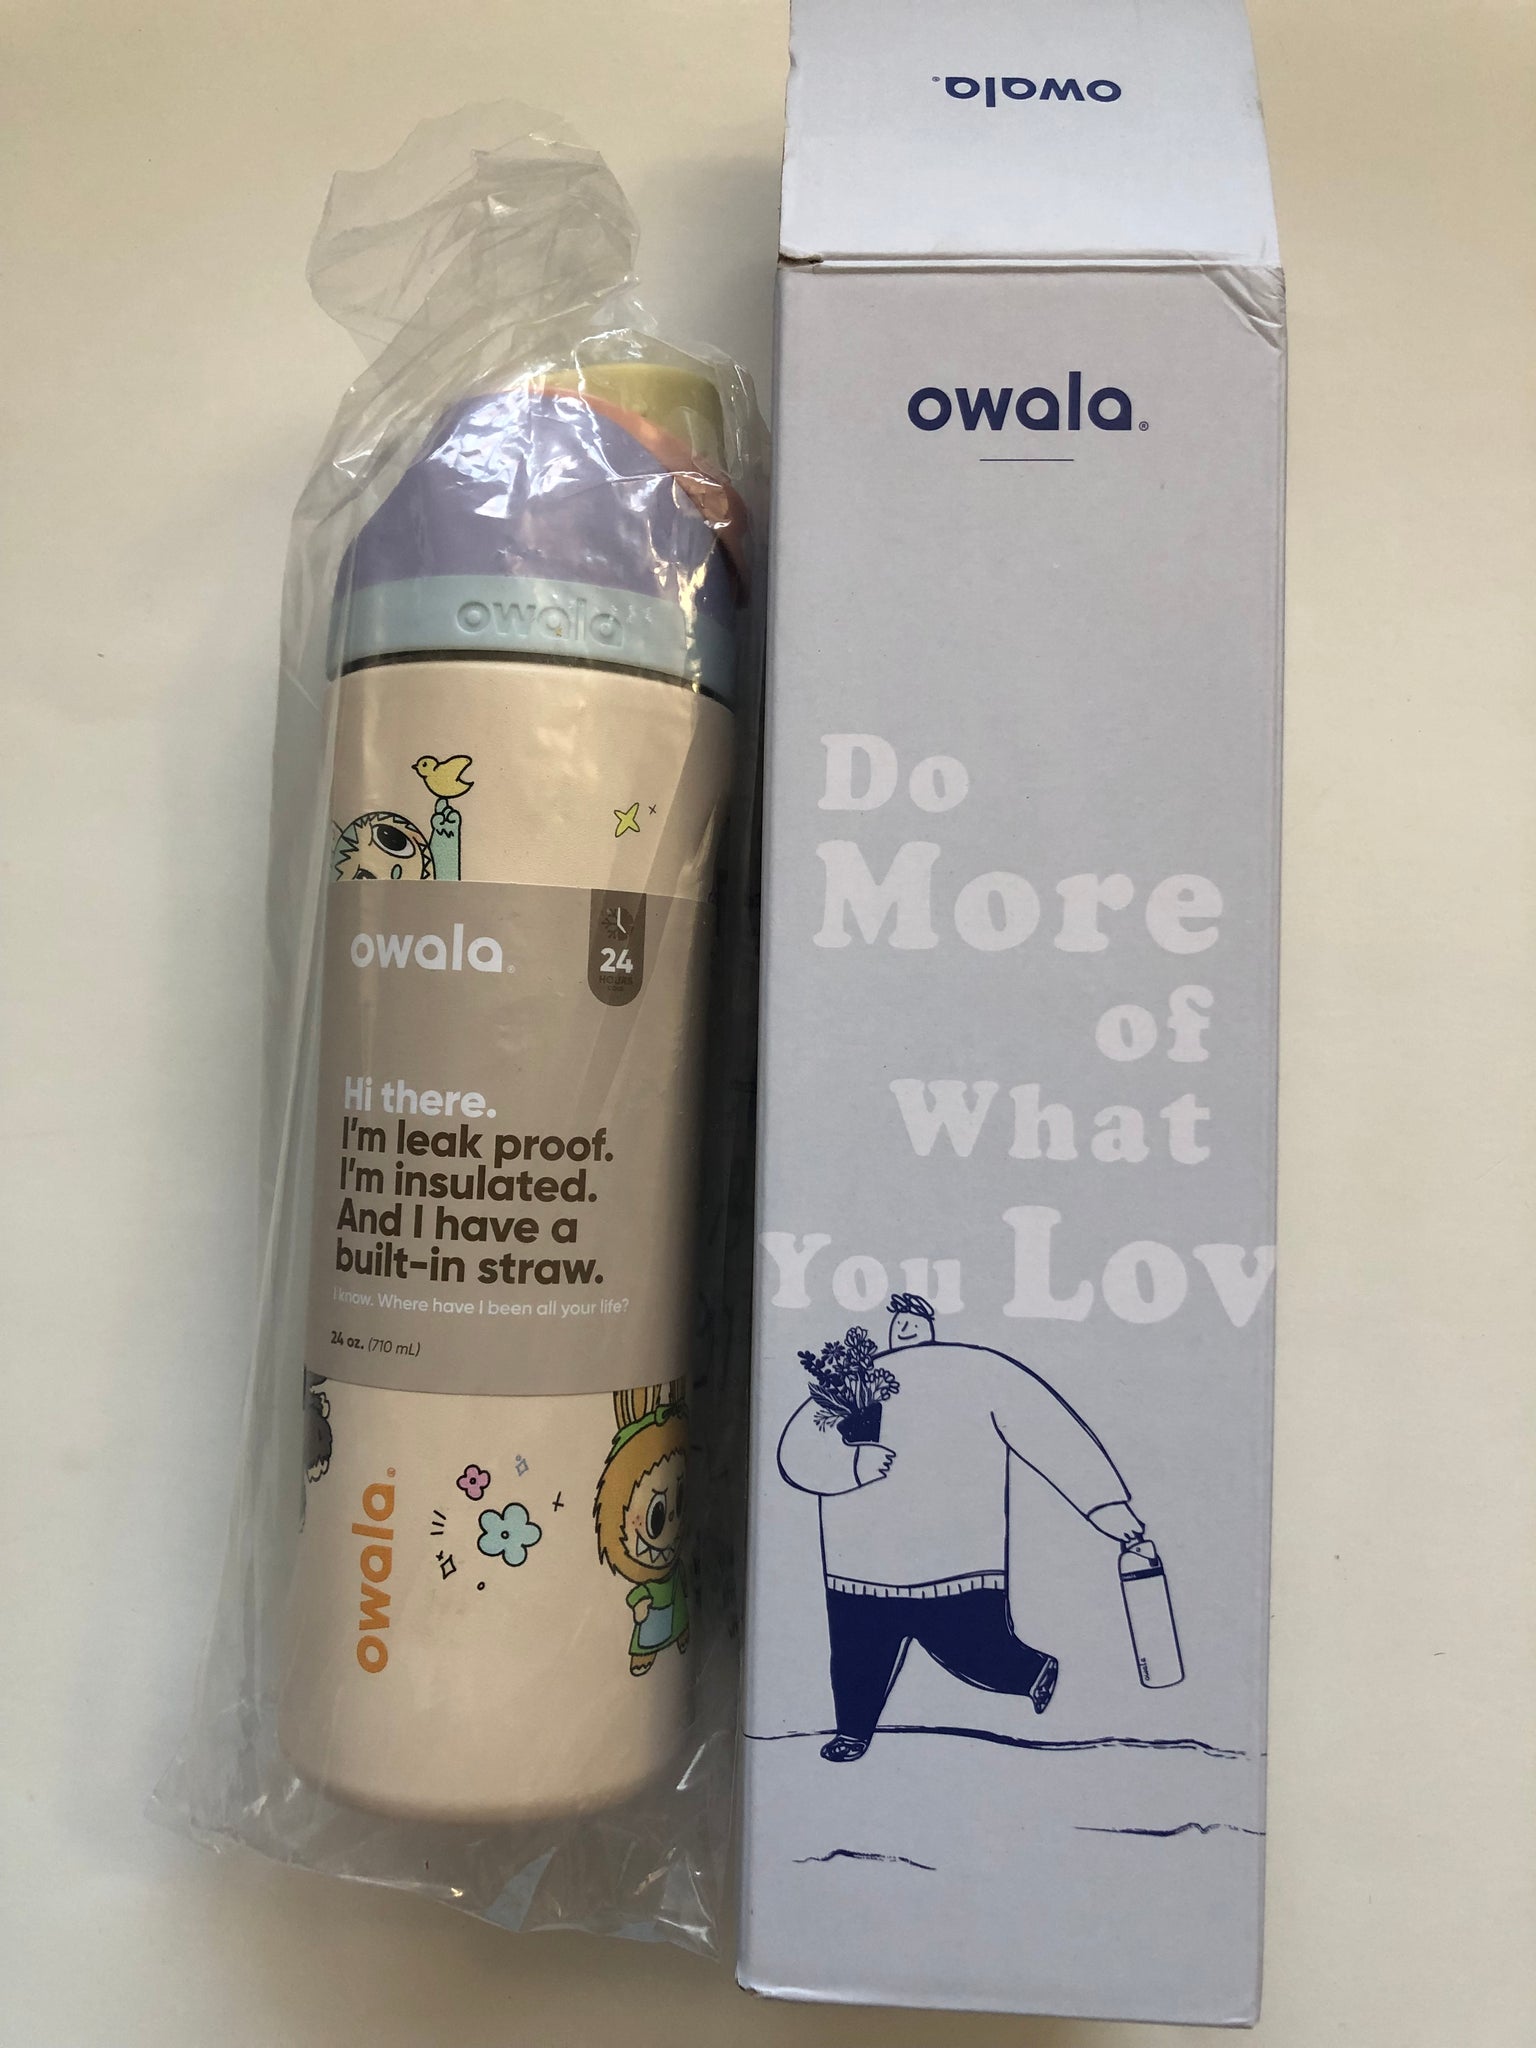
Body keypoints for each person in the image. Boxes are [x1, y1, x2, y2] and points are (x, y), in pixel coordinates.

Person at [778, 1295, 1145, 1762]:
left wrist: (1106, 1507)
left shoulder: (981, 1371)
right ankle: (853, 1731)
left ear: (931, 1325)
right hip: (859, 1565)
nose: (907, 1327)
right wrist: (852, 1465)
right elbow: (797, 1451)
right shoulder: (852, 1383)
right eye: (901, 1318)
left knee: (974, 1650)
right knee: (858, 1658)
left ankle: (1030, 1672)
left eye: (916, 1318)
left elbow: (1052, 1433)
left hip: (956, 1561)